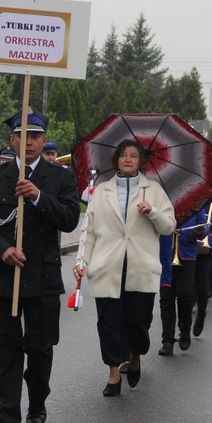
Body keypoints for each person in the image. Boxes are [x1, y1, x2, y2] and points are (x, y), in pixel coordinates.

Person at [0, 107, 80, 423]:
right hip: (5, 276)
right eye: (22, 136)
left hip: (43, 278)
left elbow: (69, 220)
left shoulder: (61, 177)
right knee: (6, 352)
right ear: (12, 139)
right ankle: (7, 421)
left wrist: (37, 196)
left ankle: (36, 404)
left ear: (44, 140)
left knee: (40, 348)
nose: (28, 142)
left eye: (35, 136)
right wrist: (3, 250)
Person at [73, 139, 175, 395]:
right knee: (108, 322)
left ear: (141, 161)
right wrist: (82, 261)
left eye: (133, 155)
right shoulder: (101, 192)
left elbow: (168, 226)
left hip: (141, 267)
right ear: (116, 160)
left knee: (138, 322)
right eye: (123, 155)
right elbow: (90, 231)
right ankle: (113, 374)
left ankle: (135, 353)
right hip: (107, 266)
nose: (128, 159)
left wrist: (152, 212)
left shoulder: (154, 191)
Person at [159, 211, 207, 355]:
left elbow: (202, 228)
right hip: (166, 254)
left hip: (186, 254)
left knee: (185, 296)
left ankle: (185, 330)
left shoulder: (195, 203)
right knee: (166, 298)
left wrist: (197, 233)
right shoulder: (163, 200)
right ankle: (167, 340)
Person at [193, 199, 212, 337]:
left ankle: (201, 314)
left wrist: (207, 225)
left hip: (205, 246)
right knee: (187, 290)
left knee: (203, 288)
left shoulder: (211, 199)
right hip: (188, 244)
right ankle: (184, 328)